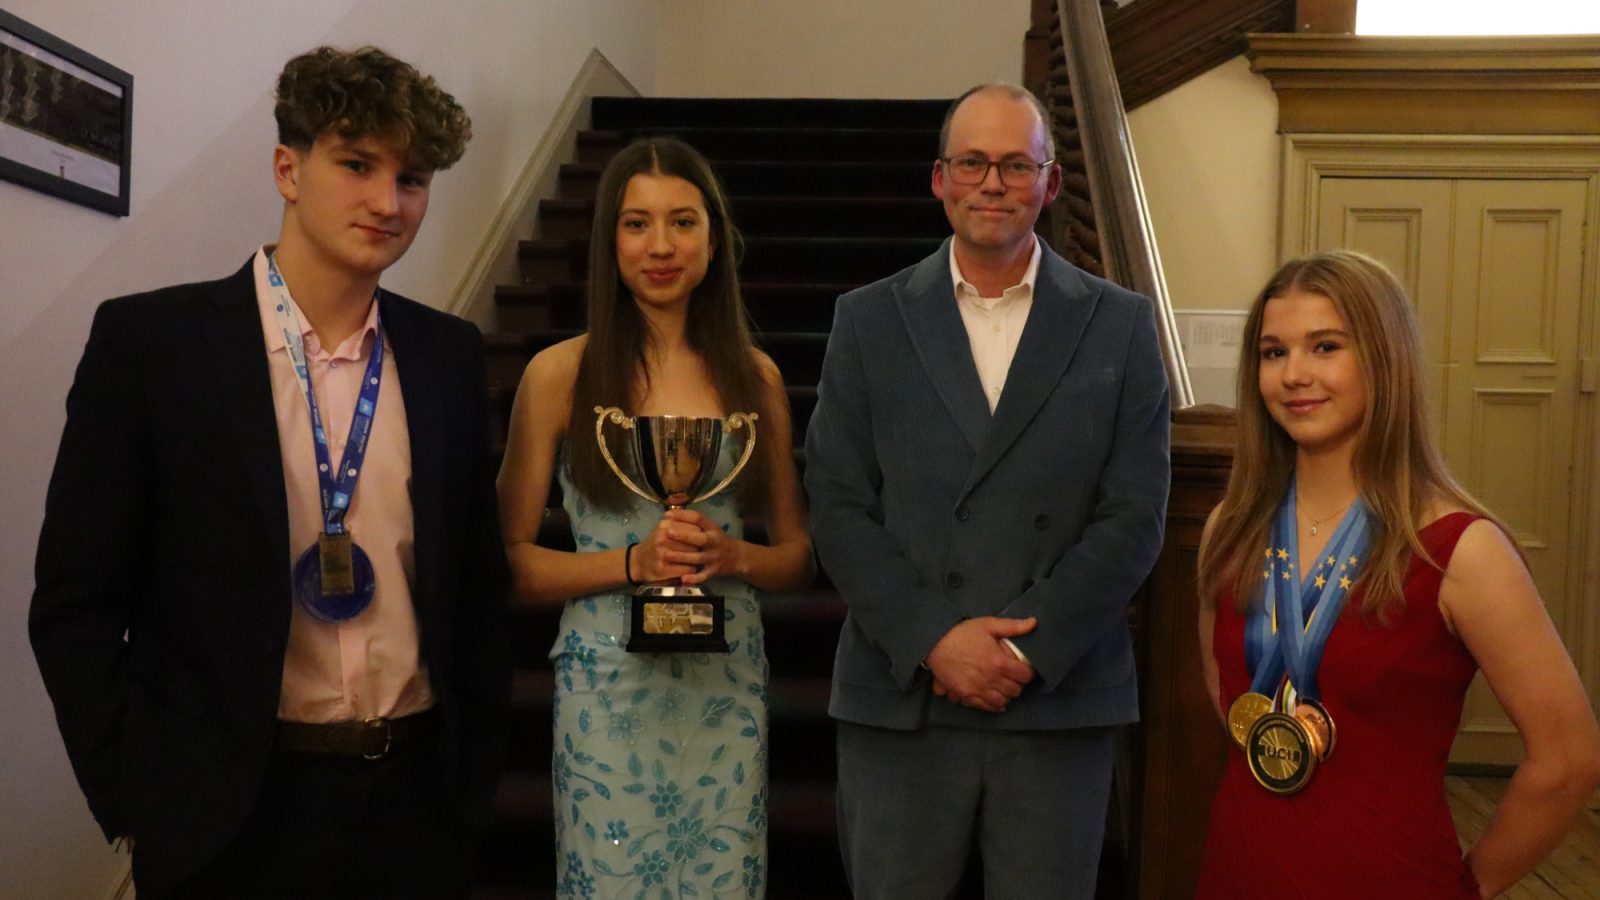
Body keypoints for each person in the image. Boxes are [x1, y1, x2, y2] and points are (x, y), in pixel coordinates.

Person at [29, 46, 508, 900]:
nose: (386, 201)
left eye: (413, 178)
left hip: (416, 808)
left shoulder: (448, 356)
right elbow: (76, 604)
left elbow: (473, 582)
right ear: (289, 168)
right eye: (358, 164)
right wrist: (138, 801)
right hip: (230, 818)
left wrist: (469, 783)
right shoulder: (153, 348)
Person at [803, 83, 1171, 899]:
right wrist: (936, 638)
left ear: (1052, 181)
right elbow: (836, 503)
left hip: (1056, 698)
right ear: (939, 179)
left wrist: (1024, 650)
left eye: (1015, 164)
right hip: (903, 696)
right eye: (973, 163)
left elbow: (1135, 516)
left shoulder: (1118, 323)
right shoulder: (867, 321)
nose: (993, 182)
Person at [1195, 250, 1600, 897]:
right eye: (1274, 353)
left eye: (1325, 346)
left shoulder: (1460, 549)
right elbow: (1227, 698)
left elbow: (1569, 761)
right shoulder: (1230, 530)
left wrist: (1468, 888)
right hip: (1241, 865)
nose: (1294, 373)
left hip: (1390, 873)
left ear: (1384, 359)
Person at [496, 136, 814, 898]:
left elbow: (797, 557)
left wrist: (733, 558)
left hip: (726, 688)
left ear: (715, 239)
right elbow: (509, 563)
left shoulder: (757, 377)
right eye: (637, 223)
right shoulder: (558, 375)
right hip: (605, 691)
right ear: (610, 240)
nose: (661, 246)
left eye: (683, 222)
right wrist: (633, 565)